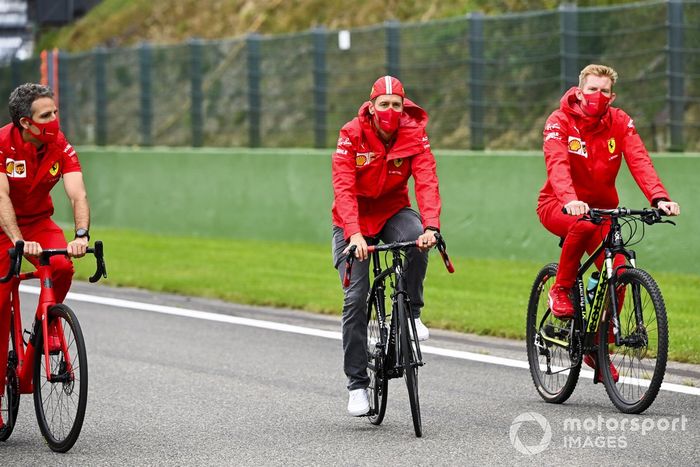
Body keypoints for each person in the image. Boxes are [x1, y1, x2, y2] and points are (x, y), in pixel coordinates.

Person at [537, 64, 680, 377]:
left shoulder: (620, 121)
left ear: (611, 95)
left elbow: (639, 159)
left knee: (619, 265)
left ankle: (597, 345)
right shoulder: (559, 121)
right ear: (579, 90)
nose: (597, 96)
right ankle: (560, 289)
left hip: (602, 210)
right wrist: (570, 199)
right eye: (592, 89)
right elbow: (557, 163)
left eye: (604, 91)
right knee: (583, 224)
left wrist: (659, 198)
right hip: (559, 205)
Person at [331, 75, 442, 416]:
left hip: (394, 210)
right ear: (372, 105)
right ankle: (357, 385)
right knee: (355, 299)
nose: (390, 111)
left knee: (417, 242)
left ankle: (412, 315)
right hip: (353, 223)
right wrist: (353, 234)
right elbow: (343, 187)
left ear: (403, 106)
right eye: (384, 105)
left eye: (396, 105)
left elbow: (426, 179)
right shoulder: (351, 133)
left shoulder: (414, 133)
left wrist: (431, 226)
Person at [0, 83, 91, 431]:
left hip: (39, 221)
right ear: (26, 122)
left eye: (55, 112)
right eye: (47, 115)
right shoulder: (2, 145)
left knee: (62, 264)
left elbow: (77, 192)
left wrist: (80, 235)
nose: (55, 119)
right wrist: (18, 241)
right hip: (2, 226)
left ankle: (46, 325)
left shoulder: (59, 143)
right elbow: (2, 198)